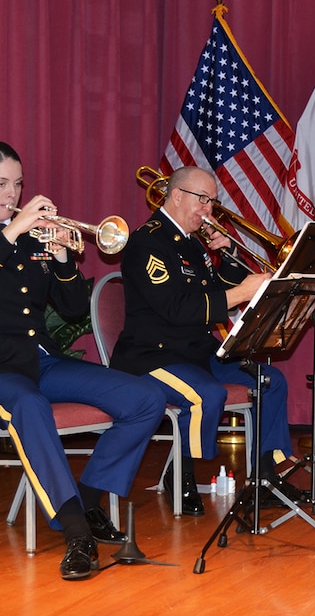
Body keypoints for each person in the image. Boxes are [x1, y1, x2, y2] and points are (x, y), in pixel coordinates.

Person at [0, 141, 167, 581]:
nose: (12, 194)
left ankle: (87, 500)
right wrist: (11, 231)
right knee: (29, 406)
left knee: (145, 397)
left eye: (17, 184)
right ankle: (77, 534)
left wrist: (61, 258)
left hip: (38, 363)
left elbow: (74, 306)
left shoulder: (31, 236)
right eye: (1, 184)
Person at [111, 166, 298, 516]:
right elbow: (178, 309)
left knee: (271, 381)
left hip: (197, 351)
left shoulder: (190, 244)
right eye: (203, 200)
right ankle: (177, 474)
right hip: (153, 356)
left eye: (211, 202)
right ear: (177, 195)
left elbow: (212, 295)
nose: (208, 210)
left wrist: (227, 259)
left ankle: (265, 477)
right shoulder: (147, 241)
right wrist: (241, 291)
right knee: (207, 394)